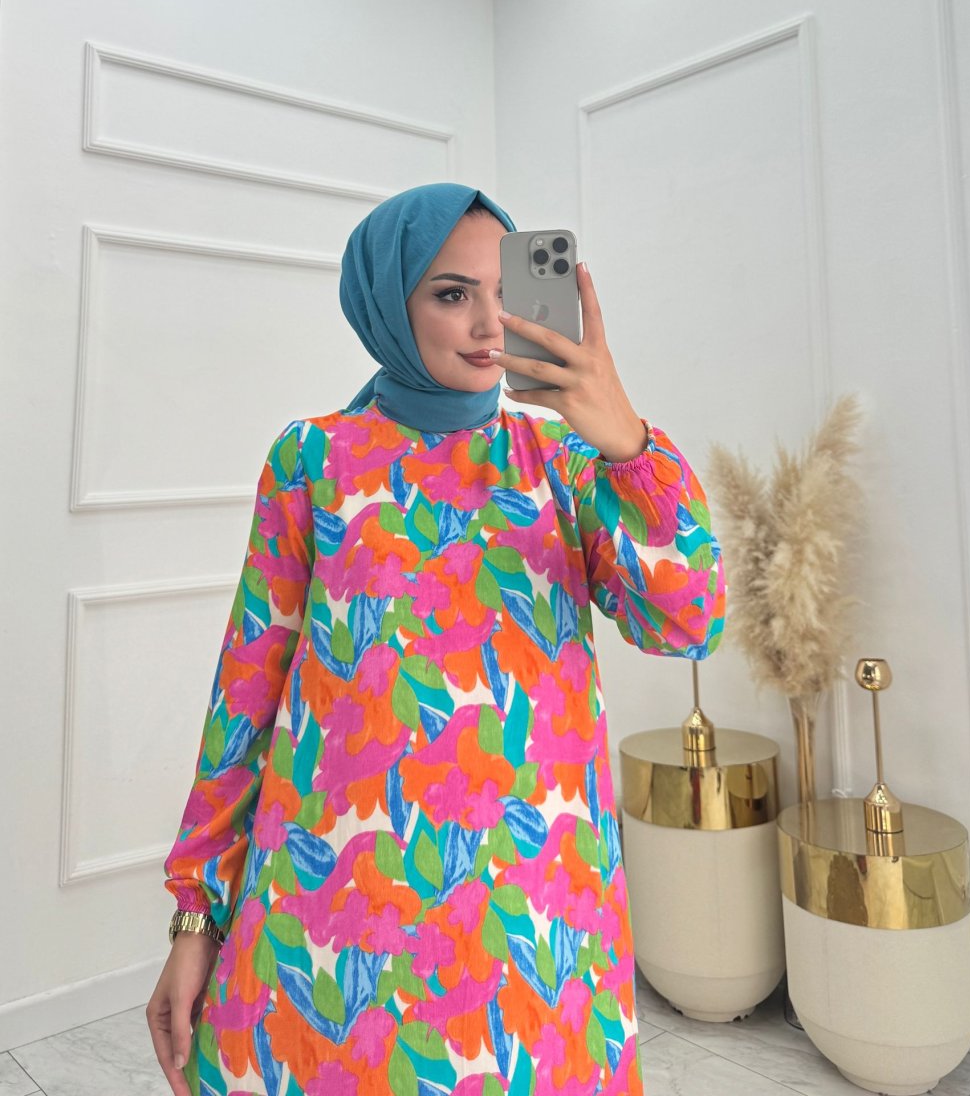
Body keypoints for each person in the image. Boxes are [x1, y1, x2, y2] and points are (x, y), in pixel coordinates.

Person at [147, 182, 725, 1096]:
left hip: (534, 924)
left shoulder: (568, 462)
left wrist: (627, 442)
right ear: (388, 301)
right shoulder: (312, 460)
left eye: (504, 291)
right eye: (453, 293)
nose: (490, 323)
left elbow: (689, 622)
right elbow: (245, 701)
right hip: (334, 918)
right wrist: (197, 917)